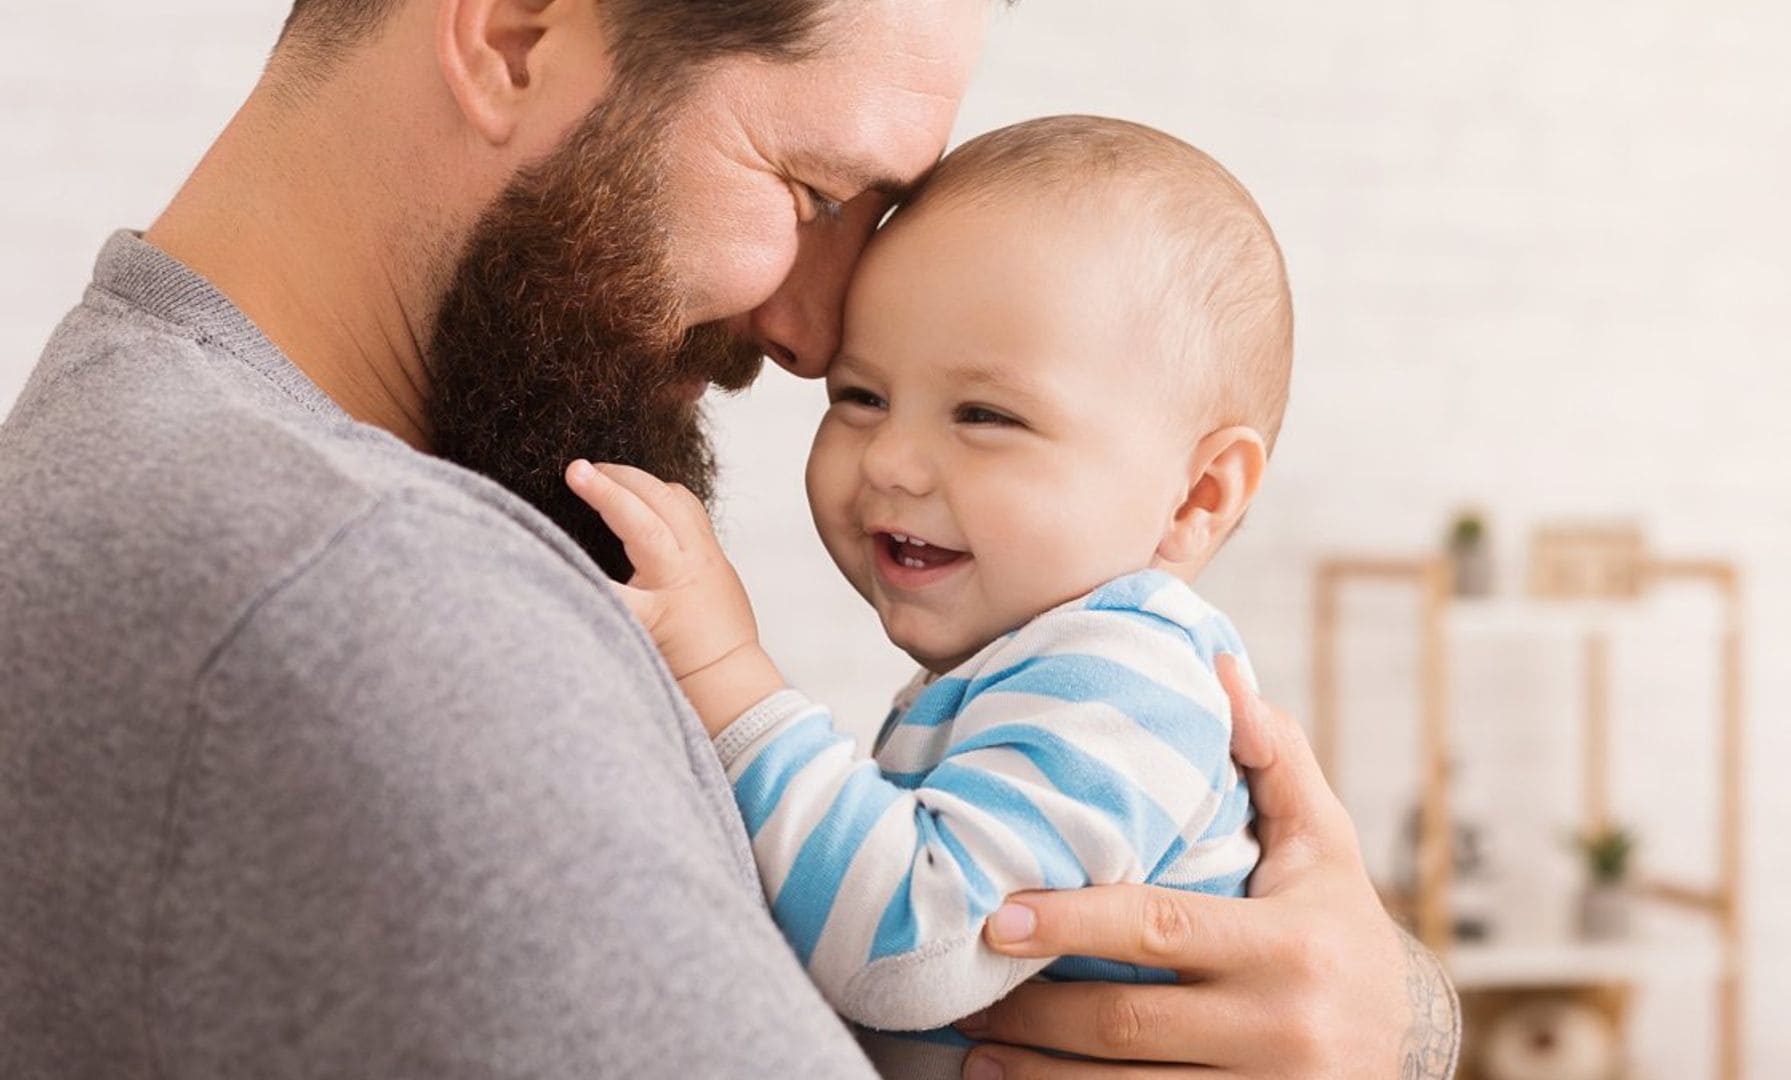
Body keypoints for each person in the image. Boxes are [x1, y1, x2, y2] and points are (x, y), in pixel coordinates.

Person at [0, 1, 1458, 1078]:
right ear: (513, 34)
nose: (817, 332)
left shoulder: (132, 447)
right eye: (813, 194)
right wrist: (1395, 1038)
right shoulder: (364, 595)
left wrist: (1375, 1012)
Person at [566, 115, 1289, 1078]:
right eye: (860, 398)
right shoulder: (1026, 670)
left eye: (986, 415)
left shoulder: (1122, 677)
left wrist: (724, 672)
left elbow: (911, 945)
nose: (894, 461)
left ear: (1195, 498)